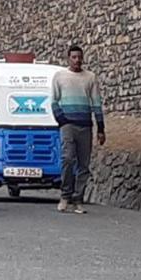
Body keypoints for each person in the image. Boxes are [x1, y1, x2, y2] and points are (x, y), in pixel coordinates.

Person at [50, 44, 105, 215]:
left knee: (83, 164)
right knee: (67, 159)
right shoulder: (60, 77)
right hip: (68, 124)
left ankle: (78, 199)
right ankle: (65, 195)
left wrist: (100, 127)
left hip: (85, 125)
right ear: (68, 58)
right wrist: (62, 121)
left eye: (79, 57)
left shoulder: (90, 77)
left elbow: (96, 103)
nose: (77, 60)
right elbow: (54, 101)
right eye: (73, 57)